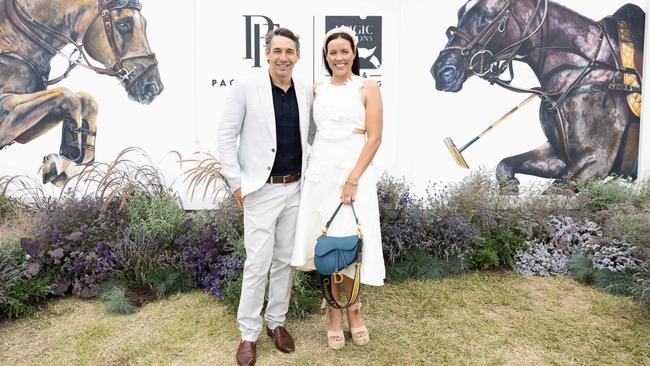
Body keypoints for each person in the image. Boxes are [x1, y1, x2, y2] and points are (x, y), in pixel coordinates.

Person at [218, 27, 312, 366]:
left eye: (290, 51)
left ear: (297, 56)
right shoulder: (246, 87)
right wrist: (236, 184)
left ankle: (277, 322)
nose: (284, 57)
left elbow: (313, 136)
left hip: (297, 187)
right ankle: (248, 334)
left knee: (285, 260)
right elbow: (226, 139)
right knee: (256, 263)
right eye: (278, 51)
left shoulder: (304, 89)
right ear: (267, 54)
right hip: (261, 190)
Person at [291, 25, 385, 350]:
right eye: (333, 52)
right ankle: (333, 311)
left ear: (354, 54)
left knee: (351, 242)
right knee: (326, 240)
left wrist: (353, 177)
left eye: (345, 51)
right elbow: (310, 133)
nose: (339, 57)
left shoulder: (368, 87)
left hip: (353, 173)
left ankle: (354, 310)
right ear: (326, 57)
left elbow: (374, 138)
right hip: (321, 172)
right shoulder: (318, 90)